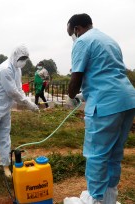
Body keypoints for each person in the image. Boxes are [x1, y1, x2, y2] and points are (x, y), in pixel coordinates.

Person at [64, 13, 135, 204]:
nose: (73, 37)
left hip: (105, 103)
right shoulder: (109, 40)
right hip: (127, 100)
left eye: (71, 33)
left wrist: (71, 95)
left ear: (77, 29)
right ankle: (109, 197)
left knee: (97, 154)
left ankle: (94, 199)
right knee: (114, 153)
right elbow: (105, 72)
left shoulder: (83, 41)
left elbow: (76, 77)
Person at [0, 45, 40, 178]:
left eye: (25, 59)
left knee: (5, 136)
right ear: (15, 56)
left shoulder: (17, 69)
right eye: (21, 58)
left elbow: (19, 89)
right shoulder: (5, 69)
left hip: (5, 108)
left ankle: (5, 164)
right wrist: (28, 105)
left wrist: (29, 102)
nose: (23, 61)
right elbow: (12, 92)